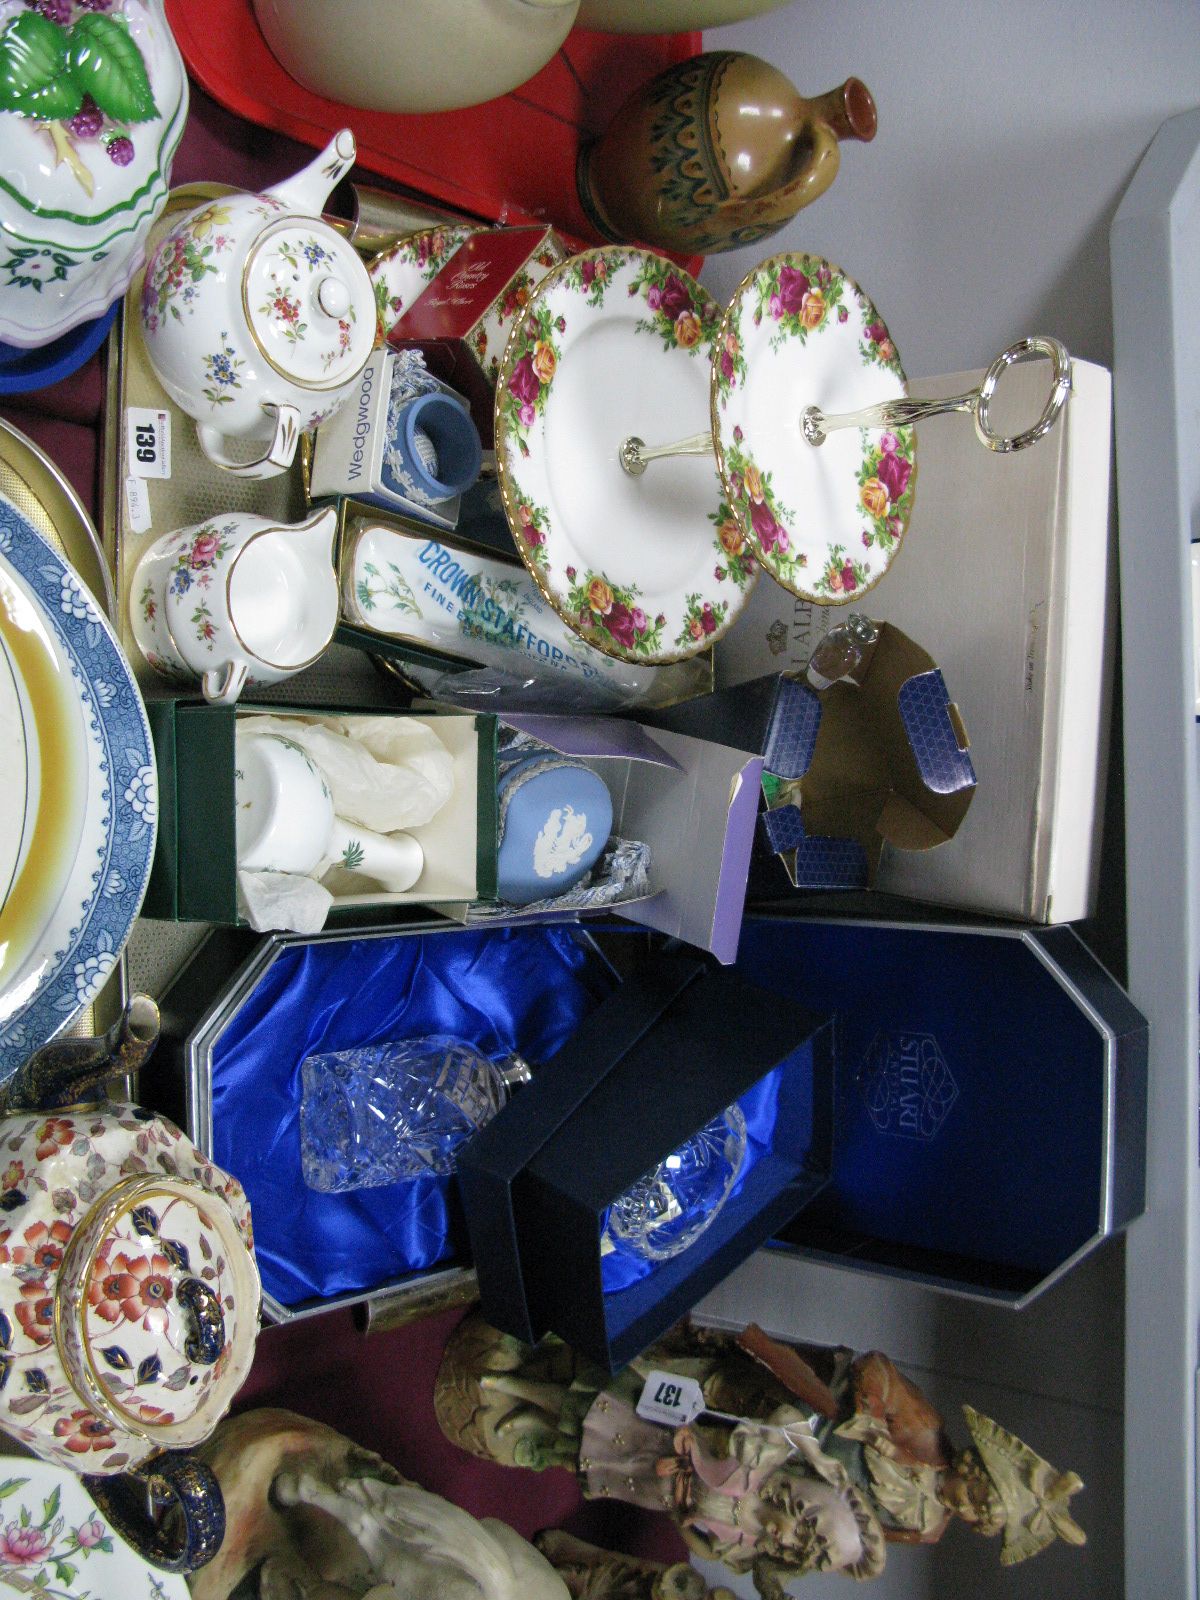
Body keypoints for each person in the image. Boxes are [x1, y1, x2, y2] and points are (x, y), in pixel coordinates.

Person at [434, 1315, 1085, 1596]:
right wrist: (862, 1421)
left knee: (641, 1466)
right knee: (650, 1390)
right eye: (984, 1501)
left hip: (770, 1485)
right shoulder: (925, 1436)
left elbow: (852, 1528)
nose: (972, 1513)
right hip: (773, 1418)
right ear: (979, 1471)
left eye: (983, 1520)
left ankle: (524, 1427)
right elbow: (875, 1372)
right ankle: (526, 1368)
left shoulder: (926, 1524)